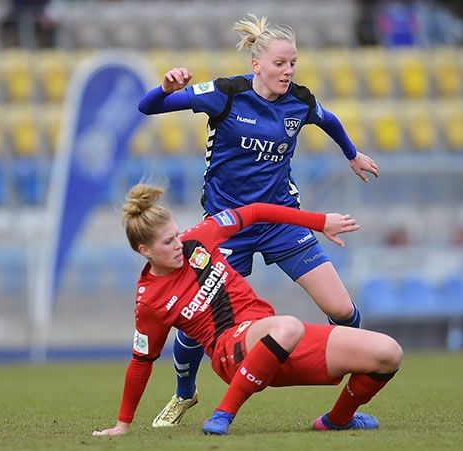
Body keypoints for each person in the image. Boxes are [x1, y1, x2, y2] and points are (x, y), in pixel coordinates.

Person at [137, 14, 380, 427]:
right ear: (256, 65)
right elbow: (148, 108)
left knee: (341, 309)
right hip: (228, 225)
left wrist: (351, 153)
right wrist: (165, 87)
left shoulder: (299, 101)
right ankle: (183, 393)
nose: (288, 71)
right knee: (197, 322)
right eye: (281, 64)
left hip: (282, 221)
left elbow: (330, 120)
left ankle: (347, 403)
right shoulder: (225, 94)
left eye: (293, 64)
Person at [91, 184, 402, 437]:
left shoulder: (199, 238)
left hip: (272, 339)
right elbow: (141, 361)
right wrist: (123, 423)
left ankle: (337, 419)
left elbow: (256, 211)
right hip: (231, 352)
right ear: (144, 251)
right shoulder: (150, 300)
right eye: (167, 242)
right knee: (288, 326)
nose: (178, 244)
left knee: (388, 352)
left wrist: (320, 222)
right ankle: (223, 413)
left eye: (176, 234)